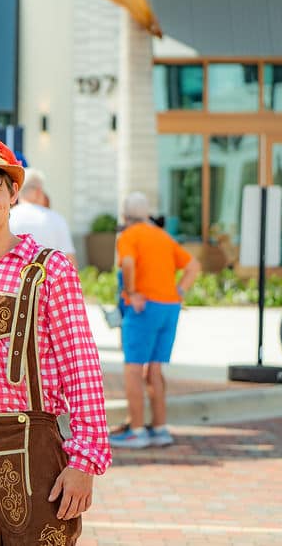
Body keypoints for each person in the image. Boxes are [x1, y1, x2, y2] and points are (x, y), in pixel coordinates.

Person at [0, 134, 111, 546]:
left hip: (38, 456)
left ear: (13, 193)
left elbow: (81, 369)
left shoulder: (50, 269)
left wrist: (84, 461)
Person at [110, 191, 200, 450]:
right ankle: (160, 428)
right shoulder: (162, 236)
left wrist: (131, 292)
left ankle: (137, 431)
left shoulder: (129, 236)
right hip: (169, 307)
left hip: (144, 307)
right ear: (147, 214)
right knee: (155, 370)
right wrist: (180, 291)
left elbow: (128, 262)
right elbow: (193, 266)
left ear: (125, 216)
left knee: (133, 370)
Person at [9, 168, 78, 267]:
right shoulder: (56, 219)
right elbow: (70, 261)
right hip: (50, 276)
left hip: (12, 276)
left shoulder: (7, 218)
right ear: (38, 191)